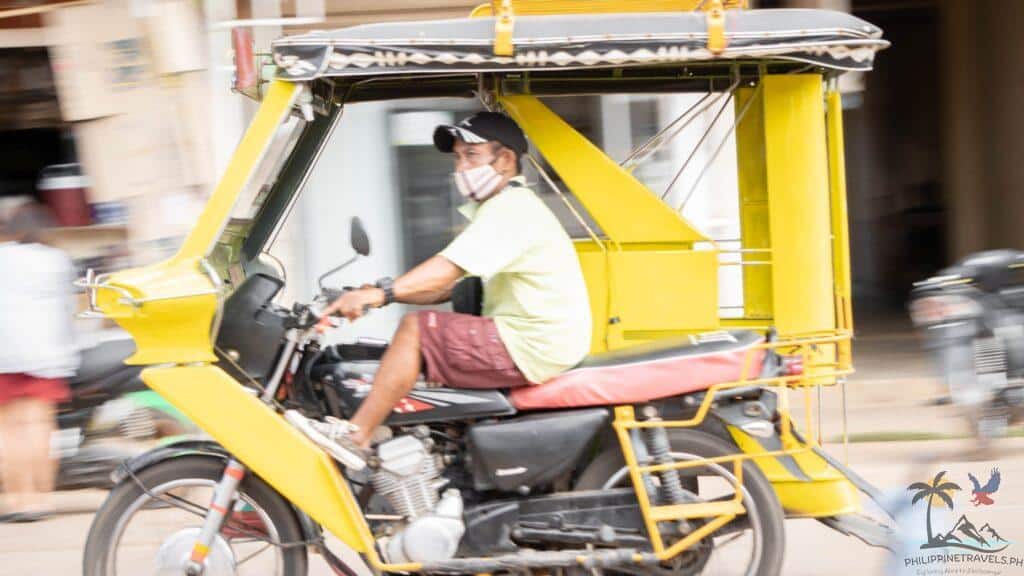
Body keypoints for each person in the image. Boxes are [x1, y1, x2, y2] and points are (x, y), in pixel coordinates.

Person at [322, 111, 592, 453]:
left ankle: (355, 436)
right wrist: (378, 294)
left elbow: (446, 270)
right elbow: (449, 287)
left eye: (472, 155)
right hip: (535, 340)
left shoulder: (512, 209)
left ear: (505, 159)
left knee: (416, 330)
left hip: (531, 342)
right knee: (416, 343)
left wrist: (382, 293)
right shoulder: (504, 207)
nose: (460, 168)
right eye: (458, 157)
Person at [0, 202, 79, 522]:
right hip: (47, 354)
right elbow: (68, 309)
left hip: (5, 355)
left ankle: (17, 500)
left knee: (8, 430)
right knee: (40, 428)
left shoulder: (3, 257)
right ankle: (41, 501)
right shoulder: (57, 260)